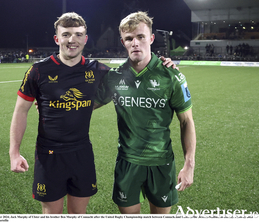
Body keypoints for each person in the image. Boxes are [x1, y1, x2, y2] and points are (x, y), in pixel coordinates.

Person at [10, 12, 177, 214]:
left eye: (78, 34)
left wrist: (163, 64)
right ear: (57, 38)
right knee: (51, 215)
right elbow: (20, 111)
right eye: (66, 34)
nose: (72, 40)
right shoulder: (38, 71)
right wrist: (14, 152)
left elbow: (133, 71)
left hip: (82, 153)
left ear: (85, 39)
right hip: (49, 155)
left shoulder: (99, 71)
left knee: (78, 215)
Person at [94, 11, 196, 214]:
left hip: (161, 163)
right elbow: (85, 106)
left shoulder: (171, 76)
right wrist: (49, 103)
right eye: (129, 38)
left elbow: (186, 122)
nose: (135, 43)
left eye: (140, 37)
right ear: (123, 42)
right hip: (127, 163)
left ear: (151, 38)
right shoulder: (114, 77)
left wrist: (189, 165)